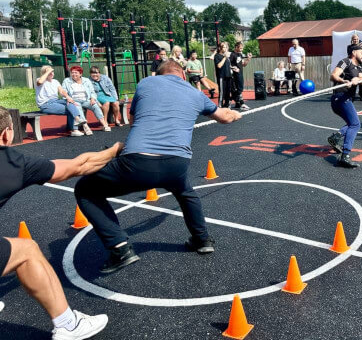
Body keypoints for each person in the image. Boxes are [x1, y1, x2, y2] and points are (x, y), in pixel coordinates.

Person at [74, 60, 241, 274]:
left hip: (137, 161)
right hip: (176, 163)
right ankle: (202, 240)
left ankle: (120, 248)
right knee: (185, 192)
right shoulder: (194, 93)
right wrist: (236, 114)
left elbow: (134, 119)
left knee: (85, 190)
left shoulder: (145, 83)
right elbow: (224, 117)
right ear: (182, 74)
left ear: (159, 74)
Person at [0, 106, 122, 339]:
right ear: (7, 134)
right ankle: (68, 325)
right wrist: (115, 150)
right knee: (27, 251)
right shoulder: (13, 163)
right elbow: (80, 166)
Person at [327, 46, 362, 168]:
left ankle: (336, 137)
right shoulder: (345, 62)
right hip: (340, 96)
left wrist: (356, 79)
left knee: (351, 123)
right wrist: (343, 81)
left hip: (346, 99)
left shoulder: (359, 67)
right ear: (354, 52)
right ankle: (345, 156)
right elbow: (334, 75)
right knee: (355, 124)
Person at [35, 66, 89, 137]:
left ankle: (77, 122)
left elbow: (61, 91)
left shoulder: (55, 81)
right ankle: (75, 128)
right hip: (45, 104)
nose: (51, 73)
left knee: (71, 102)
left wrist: (67, 97)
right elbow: (40, 82)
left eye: (52, 72)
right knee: (70, 109)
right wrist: (48, 71)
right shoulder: (39, 80)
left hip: (56, 101)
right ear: (44, 73)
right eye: (49, 72)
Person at [62, 66, 110, 133]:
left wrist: (93, 98)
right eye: (72, 73)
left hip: (86, 100)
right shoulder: (67, 81)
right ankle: (86, 126)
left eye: (76, 73)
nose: (74, 74)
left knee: (95, 106)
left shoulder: (86, 80)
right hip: (74, 101)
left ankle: (104, 124)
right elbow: (63, 92)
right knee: (78, 107)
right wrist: (67, 98)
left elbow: (92, 91)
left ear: (80, 74)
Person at [229, 41, 252, 111]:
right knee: (237, 90)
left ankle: (237, 103)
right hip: (234, 75)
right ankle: (240, 103)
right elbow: (228, 64)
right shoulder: (232, 55)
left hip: (240, 74)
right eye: (240, 48)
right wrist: (234, 68)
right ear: (236, 47)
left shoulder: (240, 55)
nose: (241, 50)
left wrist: (248, 59)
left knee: (240, 89)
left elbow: (243, 64)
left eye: (242, 48)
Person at [347, 34, 362, 101]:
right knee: (354, 81)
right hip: (353, 66)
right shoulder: (350, 47)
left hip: (361, 66)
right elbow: (350, 54)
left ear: (358, 39)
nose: (355, 40)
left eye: (356, 39)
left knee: (361, 82)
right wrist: (360, 47)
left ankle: (361, 96)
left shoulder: (361, 46)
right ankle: (352, 96)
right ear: (352, 40)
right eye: (354, 39)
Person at [214, 42, 233, 108]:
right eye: (224, 47)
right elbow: (219, 65)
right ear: (220, 48)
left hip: (228, 76)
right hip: (222, 76)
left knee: (228, 91)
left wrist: (233, 68)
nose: (226, 48)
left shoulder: (226, 57)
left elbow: (228, 65)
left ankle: (227, 104)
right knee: (222, 92)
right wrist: (224, 58)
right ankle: (220, 105)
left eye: (226, 47)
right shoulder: (217, 56)